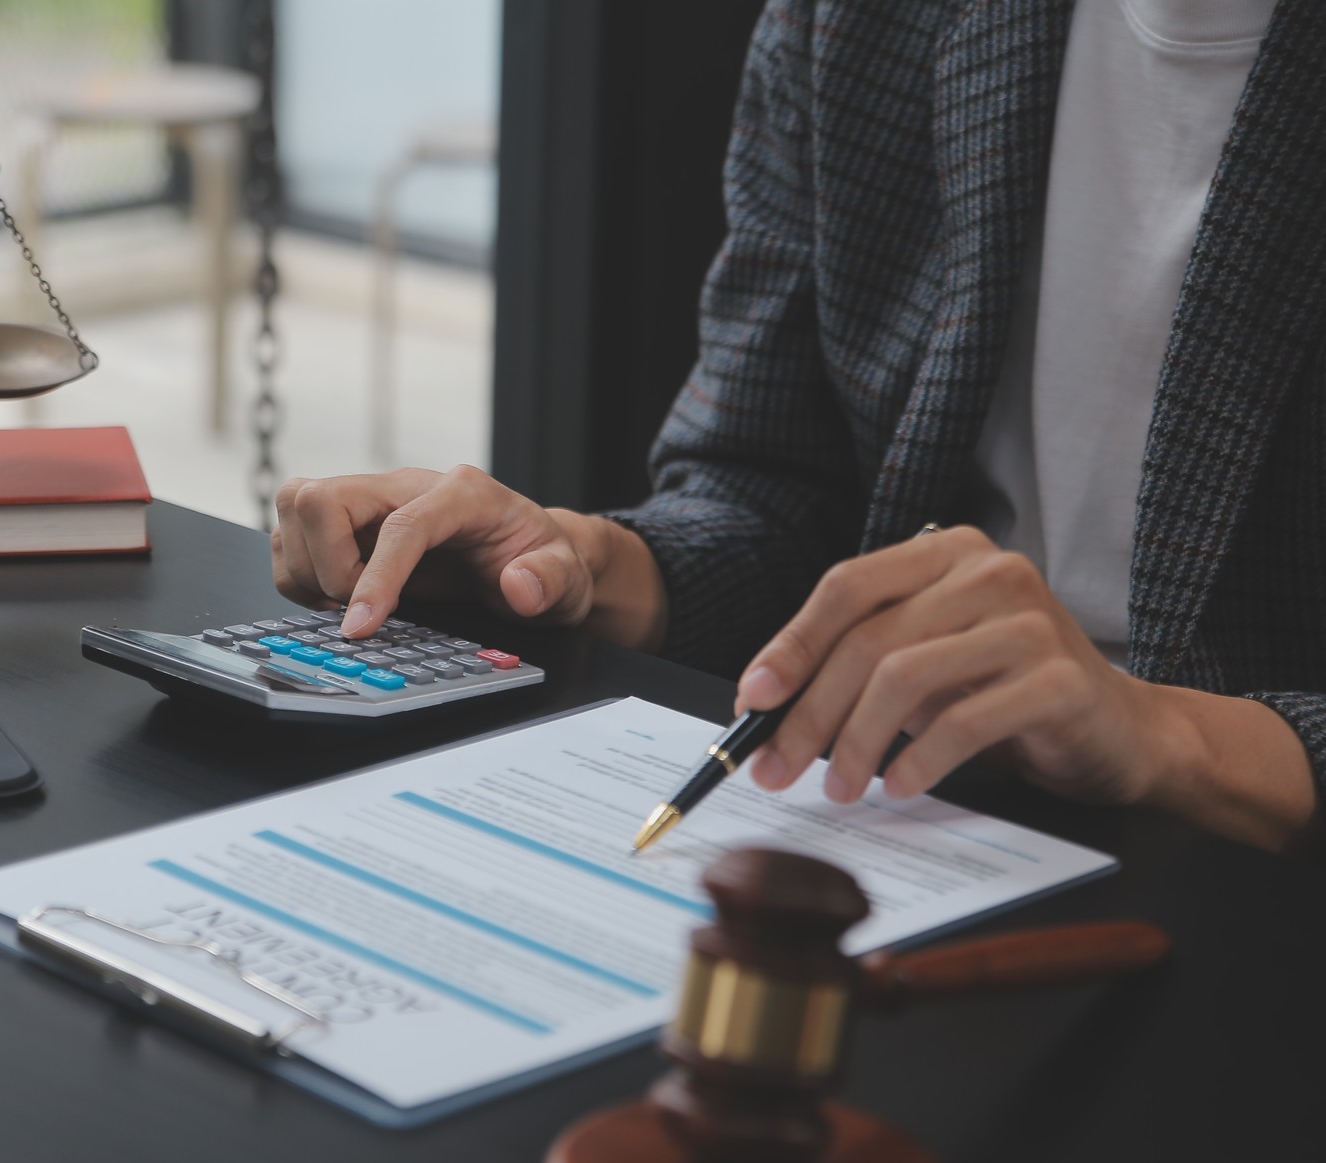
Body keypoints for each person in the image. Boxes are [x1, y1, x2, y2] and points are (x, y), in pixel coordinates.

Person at [271, 0, 1326, 853]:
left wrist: (1165, 732)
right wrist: (576, 561)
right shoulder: (856, 24)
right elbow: (771, 492)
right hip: (904, 819)